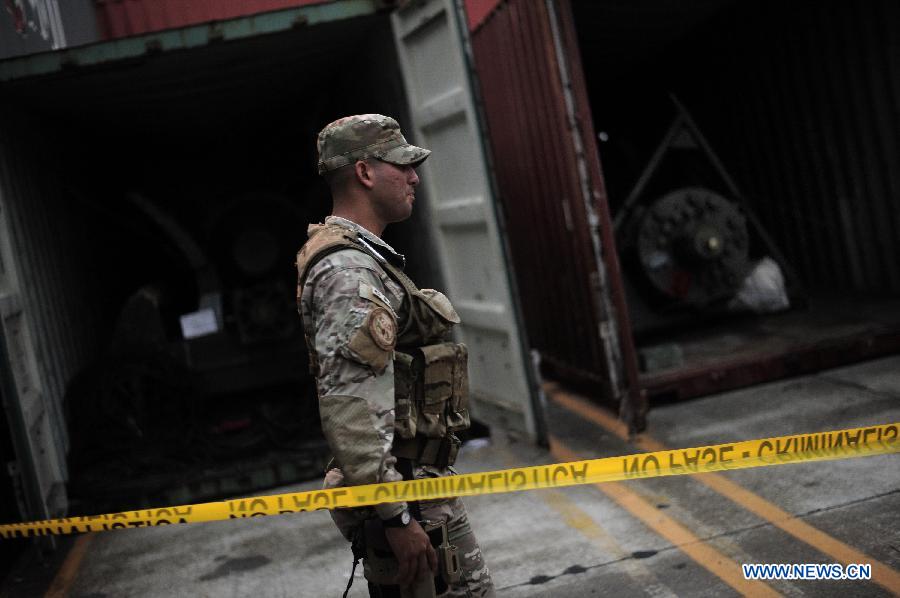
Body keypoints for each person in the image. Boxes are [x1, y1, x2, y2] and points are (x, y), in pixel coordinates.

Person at [296, 114, 494, 597]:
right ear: (364, 173)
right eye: (401, 166)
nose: (414, 178)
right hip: (407, 496)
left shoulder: (360, 256)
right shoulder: (348, 272)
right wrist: (397, 516)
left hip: (413, 490)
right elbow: (350, 405)